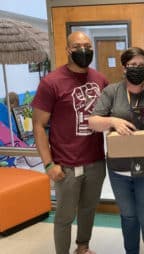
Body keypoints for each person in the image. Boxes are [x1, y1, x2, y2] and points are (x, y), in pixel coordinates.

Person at [88, 47, 144, 254]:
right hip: (119, 172)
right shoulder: (112, 92)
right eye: (132, 65)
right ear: (124, 67)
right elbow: (93, 122)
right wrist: (112, 120)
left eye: (141, 65)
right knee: (128, 218)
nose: (136, 69)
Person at [31, 31, 108, 254]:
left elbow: (118, 103)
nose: (83, 50)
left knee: (88, 210)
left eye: (87, 45)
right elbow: (38, 126)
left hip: (95, 161)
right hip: (65, 165)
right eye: (77, 46)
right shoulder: (51, 82)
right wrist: (48, 164)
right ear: (68, 50)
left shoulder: (99, 79)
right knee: (65, 217)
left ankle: (83, 247)